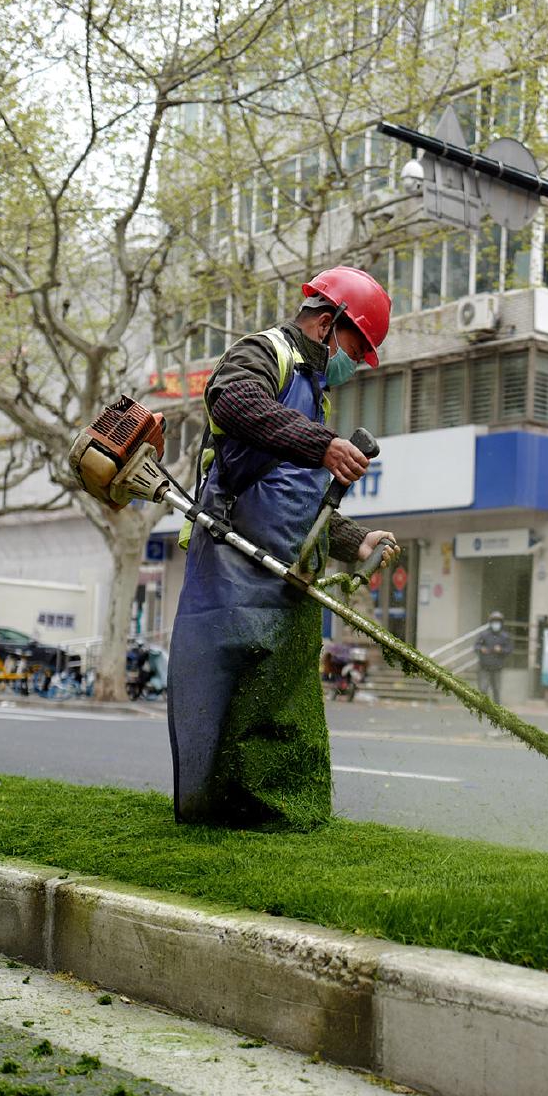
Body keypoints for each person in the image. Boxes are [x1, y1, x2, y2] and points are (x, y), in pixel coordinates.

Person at [168, 266, 397, 829]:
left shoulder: (315, 397)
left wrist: (353, 538)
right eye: (355, 345)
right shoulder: (264, 352)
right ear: (327, 322)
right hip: (232, 566)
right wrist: (322, 445)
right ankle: (222, 812)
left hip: (286, 577)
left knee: (282, 701)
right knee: (232, 696)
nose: (354, 361)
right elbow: (233, 404)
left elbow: (301, 500)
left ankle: (281, 811)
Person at [474, 610, 512, 703]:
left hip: (497, 667)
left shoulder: (504, 636)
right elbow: (476, 646)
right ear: (490, 622)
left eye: (498, 622)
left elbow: (509, 649)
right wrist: (481, 648)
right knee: (483, 688)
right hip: (484, 666)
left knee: (497, 689)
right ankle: (483, 707)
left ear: (501, 623)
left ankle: (496, 709)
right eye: (494, 621)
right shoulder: (484, 635)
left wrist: (501, 650)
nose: (496, 624)